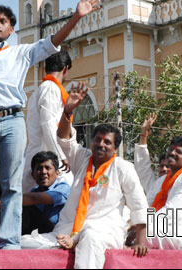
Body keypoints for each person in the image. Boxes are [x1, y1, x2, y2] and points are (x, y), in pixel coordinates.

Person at [0, 0, 100, 250]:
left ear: (10, 29)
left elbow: (52, 43)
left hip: (12, 121)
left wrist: (77, 17)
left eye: (3, 21)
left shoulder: (19, 53)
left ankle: (8, 242)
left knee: (12, 184)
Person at [21, 83, 149, 269]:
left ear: (115, 148)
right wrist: (67, 112)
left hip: (103, 230)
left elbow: (139, 205)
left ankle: (75, 242)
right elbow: (64, 141)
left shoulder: (123, 168)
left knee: (89, 235)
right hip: (67, 230)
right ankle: (71, 242)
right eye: (97, 139)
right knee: (23, 243)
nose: (101, 144)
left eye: (107, 142)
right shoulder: (83, 158)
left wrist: (141, 241)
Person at [0, 151, 70, 249]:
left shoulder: (63, 188)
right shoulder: (34, 191)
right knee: (6, 208)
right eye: (39, 168)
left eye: (48, 168)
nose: (43, 172)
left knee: (20, 206)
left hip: (52, 231)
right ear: (33, 174)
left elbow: (34, 199)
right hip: (32, 230)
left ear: (57, 173)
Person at [22, 50, 74, 195]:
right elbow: (48, 124)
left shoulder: (43, 89)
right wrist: (61, 156)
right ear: (65, 69)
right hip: (46, 157)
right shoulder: (50, 88)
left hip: (43, 154)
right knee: (68, 191)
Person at [145, 136, 182, 250]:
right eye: (170, 149)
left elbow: (171, 213)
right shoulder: (161, 181)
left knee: (142, 235)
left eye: (179, 152)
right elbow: (146, 206)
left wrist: (141, 227)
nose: (172, 153)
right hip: (163, 230)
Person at [134, 113, 169, 194]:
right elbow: (142, 166)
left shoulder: (181, 187)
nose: (164, 169)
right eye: (162, 166)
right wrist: (144, 133)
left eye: (167, 166)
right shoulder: (155, 187)